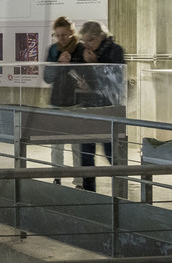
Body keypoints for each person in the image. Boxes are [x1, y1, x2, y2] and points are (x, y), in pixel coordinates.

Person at [73, 20, 126, 188]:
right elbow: (76, 71)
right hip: (87, 107)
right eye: (83, 41)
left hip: (108, 107)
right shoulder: (85, 52)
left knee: (110, 151)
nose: (86, 45)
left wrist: (94, 65)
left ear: (99, 37)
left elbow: (115, 80)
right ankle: (89, 190)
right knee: (86, 153)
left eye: (89, 41)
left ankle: (120, 188)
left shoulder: (115, 51)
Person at [42, 17, 81, 178]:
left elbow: (89, 73)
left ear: (72, 33)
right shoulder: (53, 50)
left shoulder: (80, 49)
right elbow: (47, 77)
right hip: (56, 102)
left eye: (64, 35)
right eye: (57, 35)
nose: (61, 39)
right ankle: (57, 177)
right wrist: (58, 64)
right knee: (56, 145)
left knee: (78, 145)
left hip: (77, 103)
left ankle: (79, 181)